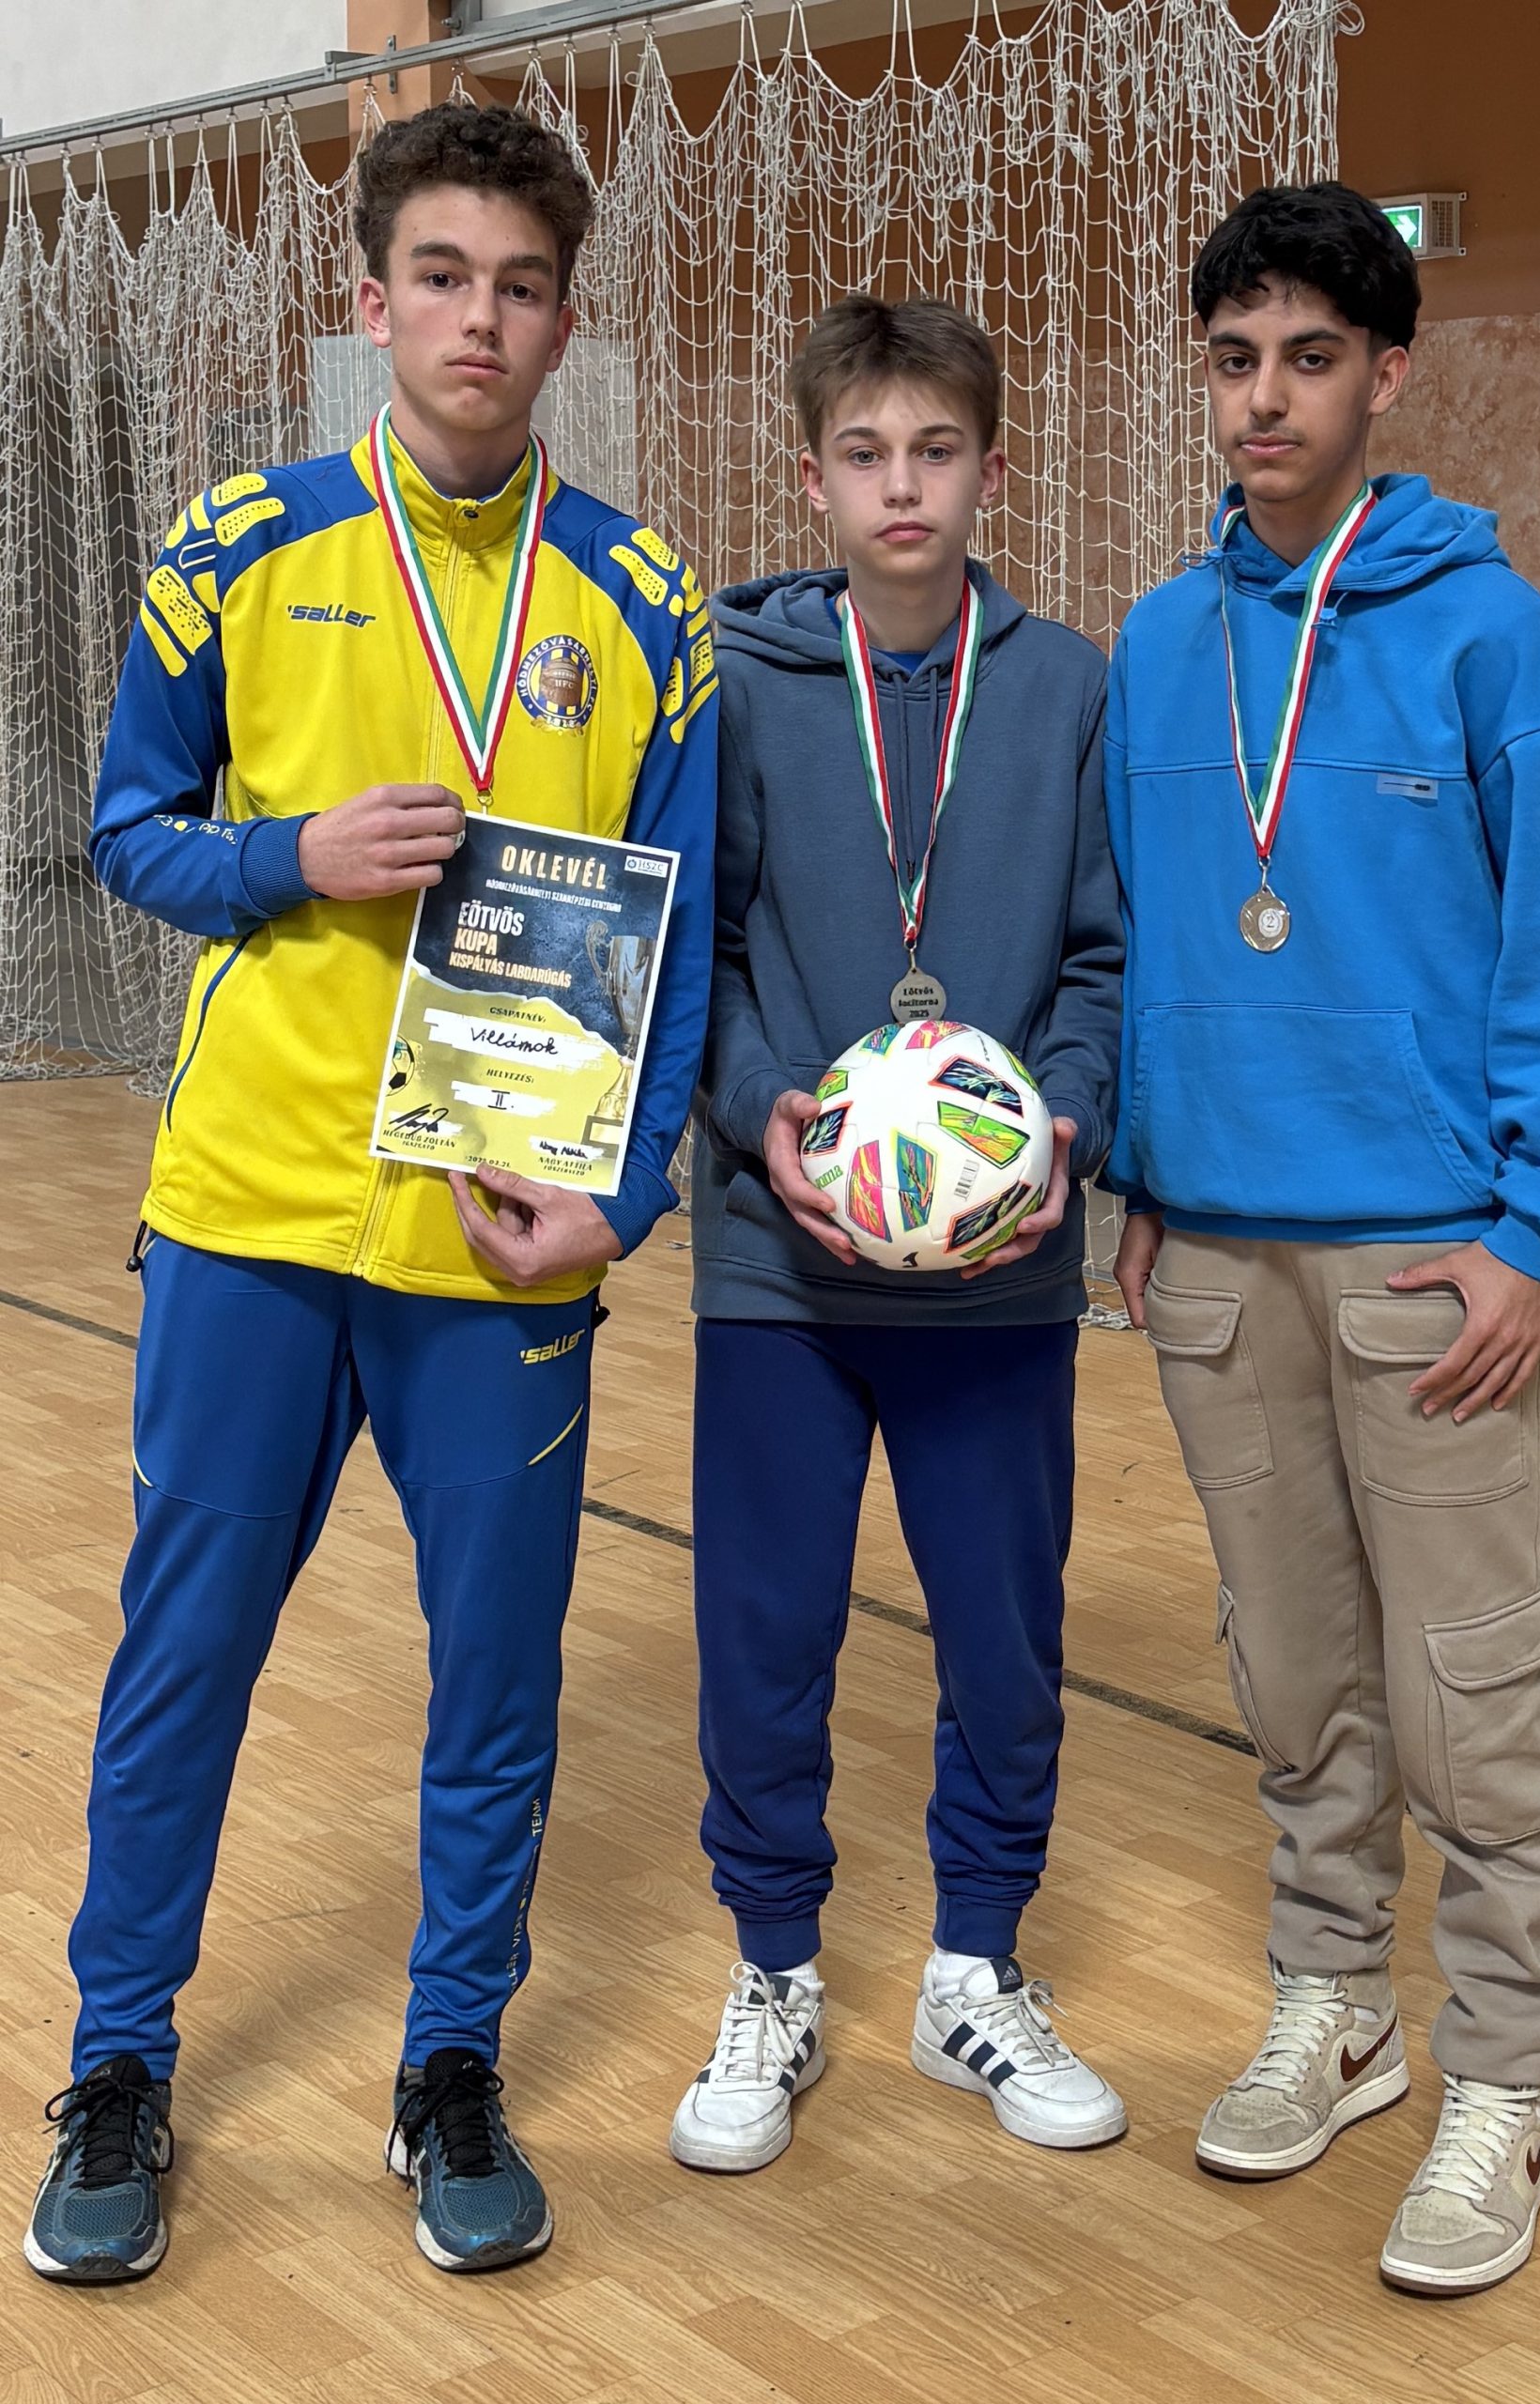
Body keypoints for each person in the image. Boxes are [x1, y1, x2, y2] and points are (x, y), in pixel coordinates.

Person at [26, 103, 717, 2284]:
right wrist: (289, 857)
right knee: (184, 1659)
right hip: (250, 1218)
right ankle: (116, 2060)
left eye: (518, 286)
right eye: (440, 276)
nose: (477, 321)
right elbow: (129, 830)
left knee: (494, 1676)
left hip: (500, 1237)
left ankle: (452, 2060)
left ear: (564, 323)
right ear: (371, 300)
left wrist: (631, 1193)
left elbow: (685, 933)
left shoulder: (647, 602)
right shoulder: (234, 545)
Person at [1105, 183, 1540, 2295]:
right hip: (1216, 1252)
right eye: (1234, 357)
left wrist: (1539, 1229)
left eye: (1310, 358)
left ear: (1387, 375)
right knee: (1295, 1669)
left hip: (1436, 1260)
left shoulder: (1490, 633)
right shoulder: (1165, 640)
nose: (1266, 397)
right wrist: (1144, 1174)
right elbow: (1142, 933)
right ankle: (1336, 2002)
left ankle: (1501, 2072)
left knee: (1470, 1684)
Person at [670, 296, 1127, 2174]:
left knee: (1005, 1639)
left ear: (991, 471)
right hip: (779, 1262)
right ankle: (772, 1971)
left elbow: (1100, 958)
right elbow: (695, 951)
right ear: (813, 480)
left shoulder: (1068, 687)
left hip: (998, 1274)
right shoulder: (738, 681)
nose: (901, 487)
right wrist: (765, 1108)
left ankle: (974, 1969)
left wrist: (1067, 1117)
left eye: (936, 451)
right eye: (864, 455)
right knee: (762, 1632)